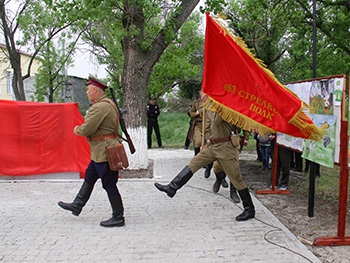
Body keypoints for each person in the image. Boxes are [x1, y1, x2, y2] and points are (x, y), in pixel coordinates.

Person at [154, 91, 255, 221]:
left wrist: (209, 103)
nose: (201, 95)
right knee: (194, 163)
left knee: (236, 179)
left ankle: (249, 209)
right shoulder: (211, 105)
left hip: (226, 149)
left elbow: (216, 120)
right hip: (214, 146)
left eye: (204, 93)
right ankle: (172, 187)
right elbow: (212, 129)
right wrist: (207, 143)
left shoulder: (222, 106)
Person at [58, 76, 125, 228]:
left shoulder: (100, 107)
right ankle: (77, 205)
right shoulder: (107, 104)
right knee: (90, 176)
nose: (87, 93)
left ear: (95, 90)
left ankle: (118, 216)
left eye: (88, 90)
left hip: (104, 151)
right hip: (101, 151)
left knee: (109, 183)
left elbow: (87, 128)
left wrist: (76, 129)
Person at [189, 93, 212, 178]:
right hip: (198, 125)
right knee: (198, 142)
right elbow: (191, 113)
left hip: (208, 126)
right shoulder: (197, 103)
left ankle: (208, 165)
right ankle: (196, 159)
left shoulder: (211, 103)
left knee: (208, 144)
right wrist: (196, 114)